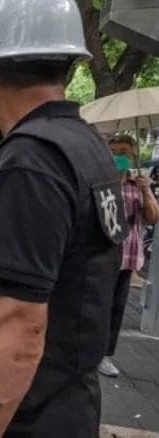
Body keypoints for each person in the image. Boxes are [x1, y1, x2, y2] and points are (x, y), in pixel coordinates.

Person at [0, 1, 129, 437]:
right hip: (61, 404)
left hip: (19, 421)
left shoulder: (30, 161)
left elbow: (18, 325)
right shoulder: (85, 145)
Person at [99, 135, 159, 377]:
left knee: (116, 307)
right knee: (95, 304)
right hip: (102, 255)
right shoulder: (101, 182)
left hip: (127, 256)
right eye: (113, 151)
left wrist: (145, 190)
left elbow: (153, 217)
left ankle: (105, 354)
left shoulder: (138, 184)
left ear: (133, 155)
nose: (118, 156)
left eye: (124, 152)